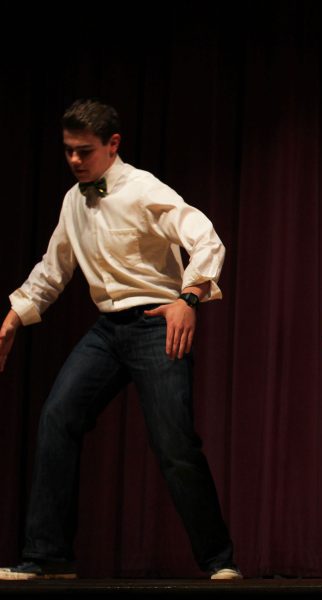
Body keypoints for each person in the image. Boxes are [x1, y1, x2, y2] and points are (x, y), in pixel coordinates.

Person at [0, 100, 240, 581]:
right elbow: (54, 268)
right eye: (67, 151)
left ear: (113, 145)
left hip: (156, 321)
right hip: (107, 329)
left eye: (83, 151)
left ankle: (220, 561)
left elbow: (206, 237)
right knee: (57, 418)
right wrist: (14, 316)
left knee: (173, 442)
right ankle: (49, 556)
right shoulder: (74, 200)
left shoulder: (142, 188)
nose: (73, 161)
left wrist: (188, 299)